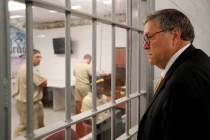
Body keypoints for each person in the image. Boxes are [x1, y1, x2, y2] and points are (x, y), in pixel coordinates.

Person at [138, 9, 210, 140]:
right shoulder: (196, 61)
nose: (145, 46)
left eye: (149, 37)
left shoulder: (183, 83)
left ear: (175, 36)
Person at [13, 49, 47, 137]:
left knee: (25, 125)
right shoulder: (31, 69)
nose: (39, 59)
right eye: (37, 57)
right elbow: (44, 83)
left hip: (21, 103)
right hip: (30, 104)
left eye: (40, 57)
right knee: (34, 128)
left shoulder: (22, 67)